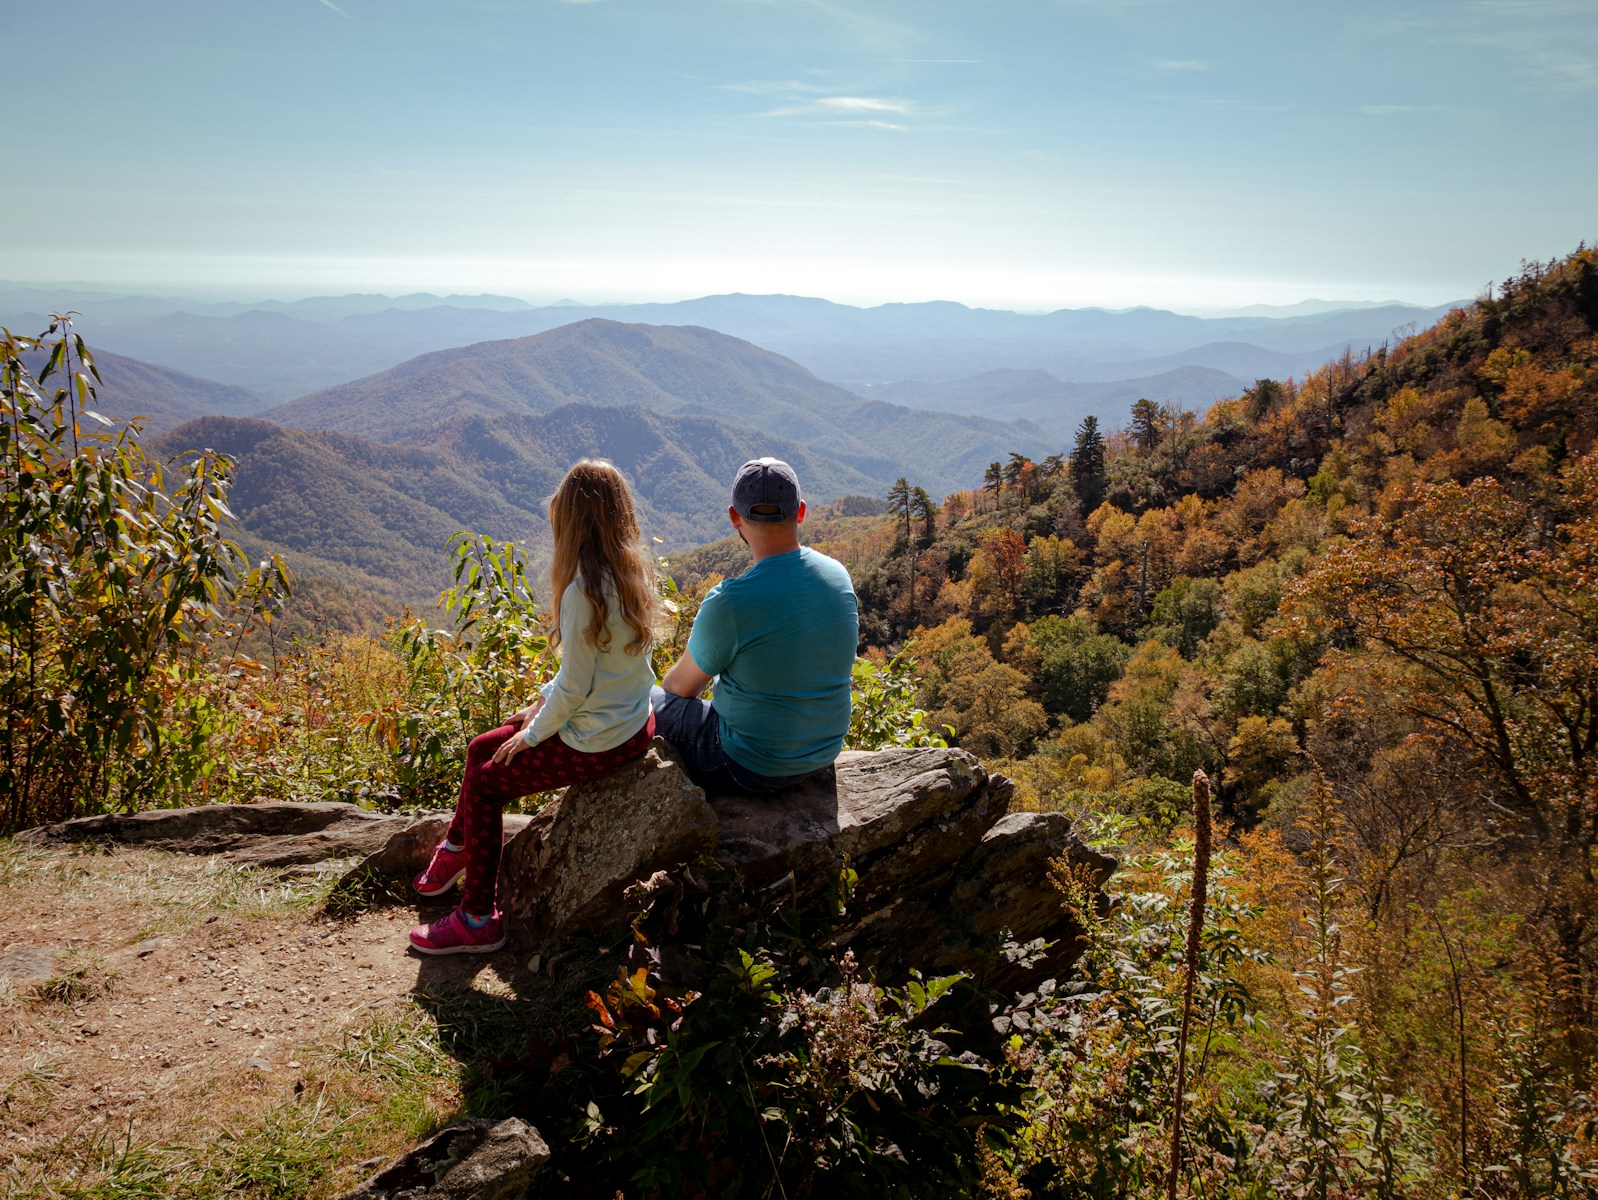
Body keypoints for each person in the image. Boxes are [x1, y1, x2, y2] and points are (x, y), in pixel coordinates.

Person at [409, 460, 662, 954]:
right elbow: (590, 676)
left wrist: (534, 732)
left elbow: (574, 689)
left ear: (567, 523)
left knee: (485, 786)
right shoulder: (630, 573)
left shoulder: (581, 594)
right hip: (631, 721)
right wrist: (538, 705)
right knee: (481, 746)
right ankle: (458, 850)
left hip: (599, 740)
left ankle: (479, 919)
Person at [652, 457, 858, 794]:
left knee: (639, 703)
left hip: (750, 766)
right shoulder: (838, 575)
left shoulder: (730, 600)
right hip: (823, 753)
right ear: (801, 511)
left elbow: (679, 688)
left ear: (735, 517)